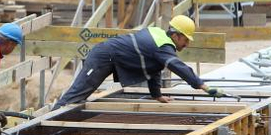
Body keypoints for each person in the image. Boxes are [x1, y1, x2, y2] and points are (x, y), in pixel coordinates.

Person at [53, 15, 224, 108]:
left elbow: (154, 68)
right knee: (76, 96)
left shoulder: (159, 37)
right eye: (185, 40)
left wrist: (156, 95)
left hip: (109, 58)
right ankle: (43, 125)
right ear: (175, 35)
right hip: (103, 57)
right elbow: (178, 67)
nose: (186, 44)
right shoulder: (163, 46)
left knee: (79, 97)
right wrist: (203, 86)